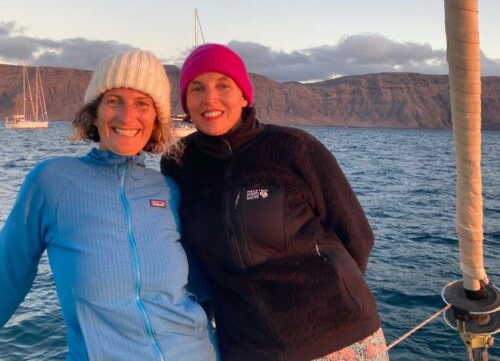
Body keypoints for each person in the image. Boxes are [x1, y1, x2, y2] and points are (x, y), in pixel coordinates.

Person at [161, 44, 388, 361]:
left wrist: (329, 302)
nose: (210, 98)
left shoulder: (293, 148)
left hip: (339, 338)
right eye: (197, 88)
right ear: (186, 101)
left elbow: (356, 235)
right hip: (247, 348)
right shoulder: (179, 163)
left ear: (244, 96)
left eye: (223, 86)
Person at [0, 50, 218, 360]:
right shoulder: (53, 182)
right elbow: (7, 274)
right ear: (95, 112)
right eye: (114, 101)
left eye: (142, 104)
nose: (127, 117)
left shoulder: (168, 190)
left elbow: (198, 290)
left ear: (156, 118)